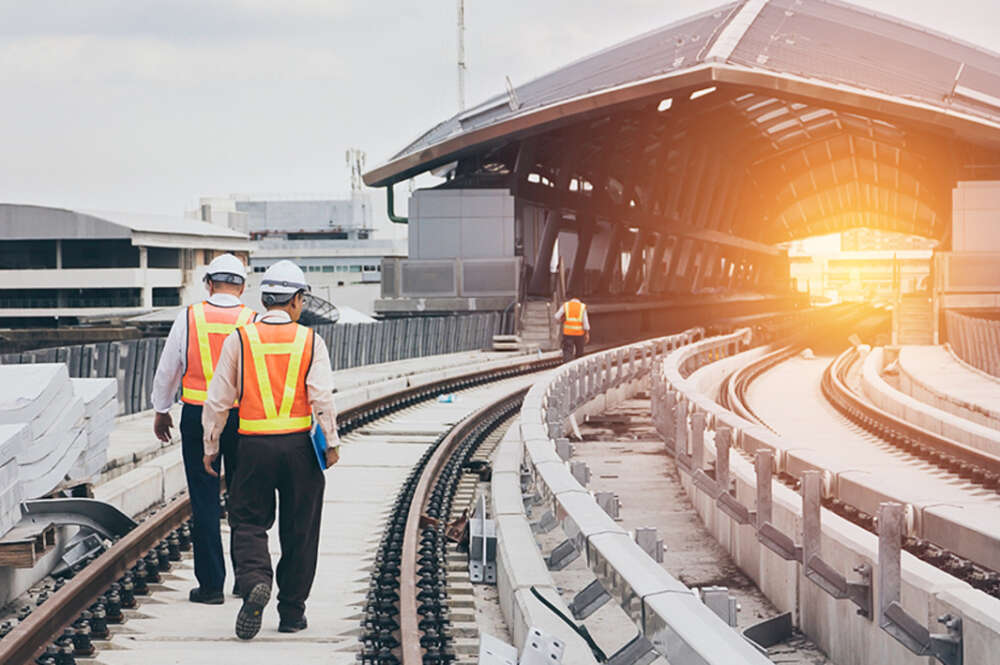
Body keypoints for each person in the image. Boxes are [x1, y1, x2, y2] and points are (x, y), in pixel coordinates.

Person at [201, 260, 341, 640]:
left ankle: (254, 582)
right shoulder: (311, 341)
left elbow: (217, 400)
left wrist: (211, 444)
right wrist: (330, 442)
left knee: (247, 522)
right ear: (297, 300)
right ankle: (292, 612)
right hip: (299, 447)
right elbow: (322, 397)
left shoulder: (240, 339)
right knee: (301, 529)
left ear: (264, 299)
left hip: (252, 447)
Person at [151, 253, 255, 605]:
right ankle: (246, 579)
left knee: (205, 499)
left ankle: (211, 587)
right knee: (244, 498)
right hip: (242, 419)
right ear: (242, 286)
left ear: (209, 284)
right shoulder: (251, 320)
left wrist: (161, 410)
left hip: (197, 416)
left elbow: (168, 369)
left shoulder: (189, 317)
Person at [554, 295, 590, 361]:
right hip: (579, 334)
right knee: (579, 352)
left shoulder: (566, 305)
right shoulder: (582, 306)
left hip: (568, 333)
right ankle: (578, 369)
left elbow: (556, 316)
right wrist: (587, 334)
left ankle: (567, 367)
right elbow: (585, 322)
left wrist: (562, 319)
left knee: (567, 351)